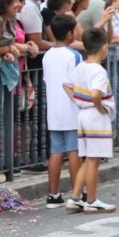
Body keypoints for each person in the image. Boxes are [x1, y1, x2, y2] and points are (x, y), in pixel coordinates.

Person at [65, 26, 117, 212]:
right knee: (94, 160)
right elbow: (96, 93)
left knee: (88, 159)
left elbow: (67, 85)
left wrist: (79, 100)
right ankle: (92, 200)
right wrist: (98, 105)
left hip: (83, 114)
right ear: (104, 47)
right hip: (95, 116)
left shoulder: (81, 66)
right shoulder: (99, 71)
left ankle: (76, 197)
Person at [40, 13, 83, 207]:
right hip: (72, 108)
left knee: (56, 151)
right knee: (74, 150)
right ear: (69, 34)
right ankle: (77, 193)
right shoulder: (73, 55)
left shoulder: (48, 55)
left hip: (54, 109)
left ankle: (53, 194)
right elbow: (79, 82)